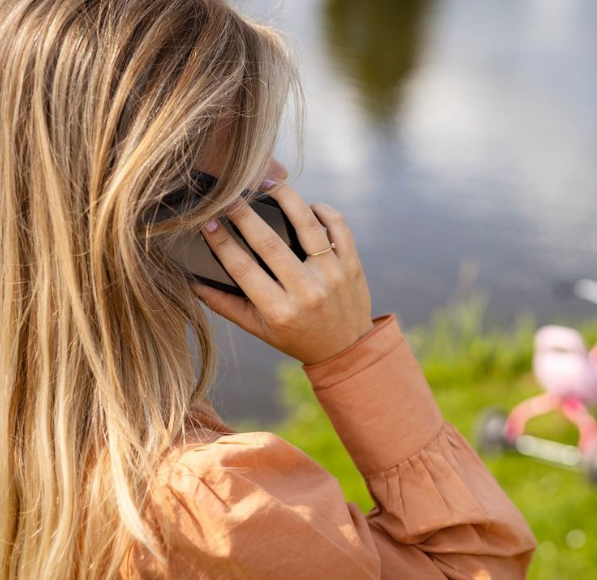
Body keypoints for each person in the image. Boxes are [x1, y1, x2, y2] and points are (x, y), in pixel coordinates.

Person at [0, 1, 537, 579]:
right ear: (157, 197)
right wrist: (351, 353)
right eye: (243, 149)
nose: (276, 173)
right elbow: (479, 565)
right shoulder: (210, 511)